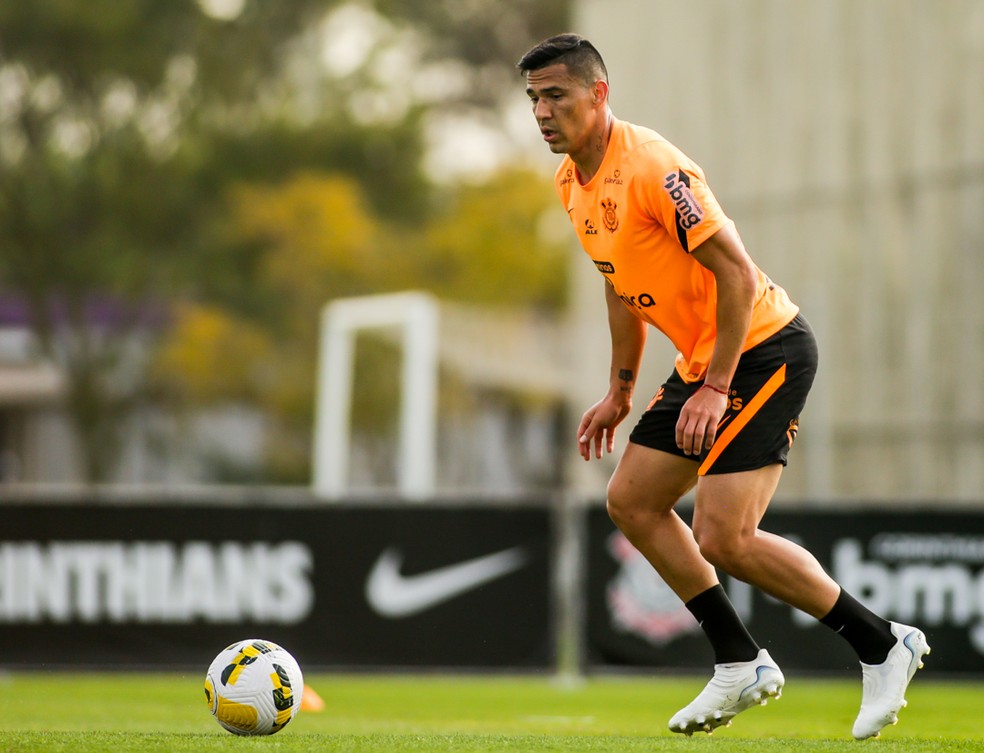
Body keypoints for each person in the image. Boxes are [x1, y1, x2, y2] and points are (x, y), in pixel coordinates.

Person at [517, 33, 930, 739]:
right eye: (533, 99)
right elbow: (621, 287)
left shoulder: (654, 167)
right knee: (631, 499)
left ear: (598, 93)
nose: (542, 112)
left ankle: (883, 642)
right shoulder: (571, 184)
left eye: (555, 95)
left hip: (762, 350)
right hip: (701, 362)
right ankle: (739, 660)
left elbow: (736, 275)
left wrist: (716, 383)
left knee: (724, 535)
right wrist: (620, 388)